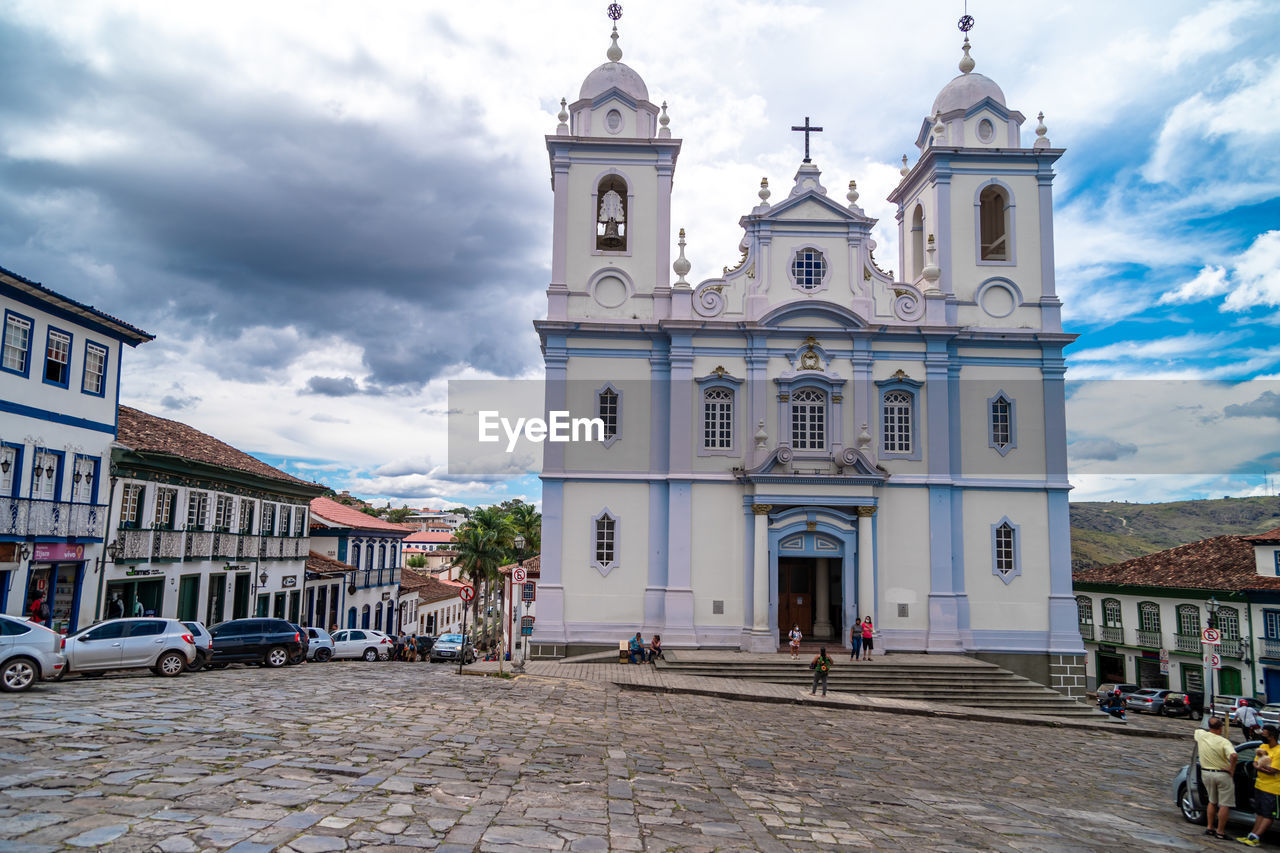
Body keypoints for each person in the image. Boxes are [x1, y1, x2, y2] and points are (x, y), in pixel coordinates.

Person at [1195, 717, 1238, 840]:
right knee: (1224, 804)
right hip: (1222, 774)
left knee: (1212, 801)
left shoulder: (1201, 735)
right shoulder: (1224, 741)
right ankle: (1220, 832)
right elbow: (1234, 755)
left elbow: (1200, 727)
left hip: (1206, 773)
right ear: (1221, 728)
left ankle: (1209, 827)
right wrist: (1232, 768)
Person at [1239, 724, 1280, 846]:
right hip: (1260, 785)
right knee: (1260, 813)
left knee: (1268, 814)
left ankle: (1256, 837)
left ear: (1272, 736)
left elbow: (1274, 770)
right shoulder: (1263, 746)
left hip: (1273, 789)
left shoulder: (1278, 752)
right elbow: (1255, 763)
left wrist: (1260, 767)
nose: (1262, 735)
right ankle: (1252, 836)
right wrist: (1263, 768)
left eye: (1265, 734)